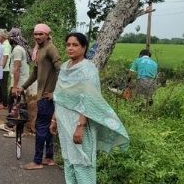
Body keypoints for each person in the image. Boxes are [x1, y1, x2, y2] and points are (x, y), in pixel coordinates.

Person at [53, 32, 130, 183]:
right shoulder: (64, 67)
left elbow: (89, 100)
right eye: (68, 45)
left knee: (83, 161)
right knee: (69, 159)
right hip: (64, 121)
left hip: (80, 122)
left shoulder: (88, 70)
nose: (70, 48)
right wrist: (54, 119)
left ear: (84, 48)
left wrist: (80, 126)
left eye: (75, 45)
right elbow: (59, 96)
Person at [18, 22, 62, 170]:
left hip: (47, 96)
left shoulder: (50, 49)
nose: (37, 36)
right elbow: (35, 73)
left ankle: (37, 161)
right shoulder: (39, 50)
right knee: (47, 126)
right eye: (36, 34)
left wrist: (56, 92)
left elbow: (60, 70)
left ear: (47, 35)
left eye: (40, 34)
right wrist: (23, 87)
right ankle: (49, 158)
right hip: (43, 95)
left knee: (41, 126)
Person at [2, 27, 33, 138]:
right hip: (19, 82)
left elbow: (16, 68)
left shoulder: (17, 50)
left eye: (10, 36)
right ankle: (11, 126)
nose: (9, 38)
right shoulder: (19, 48)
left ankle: (18, 131)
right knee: (14, 106)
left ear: (14, 37)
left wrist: (15, 87)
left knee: (18, 107)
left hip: (19, 84)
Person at [0, 26, 14, 110]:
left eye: (0, 36)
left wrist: (1, 68)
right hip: (1, 69)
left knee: (3, 87)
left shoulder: (7, 45)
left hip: (4, 70)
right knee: (0, 87)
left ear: (2, 37)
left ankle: (5, 104)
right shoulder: (3, 44)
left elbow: (5, 57)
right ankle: (1, 102)